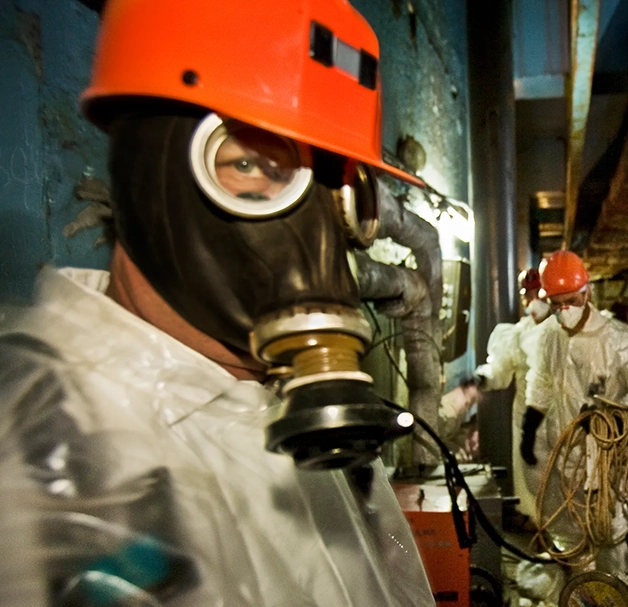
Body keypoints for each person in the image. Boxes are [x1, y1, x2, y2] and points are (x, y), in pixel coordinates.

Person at [0, 1, 436, 605]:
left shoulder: (303, 421)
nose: (310, 240)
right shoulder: (44, 452)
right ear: (143, 173)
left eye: (339, 196)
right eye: (249, 165)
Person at [522, 250, 628, 571]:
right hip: (563, 455)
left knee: (609, 536)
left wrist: (616, 414)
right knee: (569, 536)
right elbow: (543, 378)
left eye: (571, 301)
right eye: (557, 302)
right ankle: (578, 594)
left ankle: (615, 594)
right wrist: (531, 422)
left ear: (587, 293)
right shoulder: (550, 334)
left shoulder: (617, 340)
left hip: (604, 459)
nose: (564, 310)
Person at [473, 268, 551, 519]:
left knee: (562, 474)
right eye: (527, 295)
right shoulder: (518, 333)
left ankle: (567, 535)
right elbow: (501, 370)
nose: (532, 301)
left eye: (536, 293)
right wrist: (482, 377)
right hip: (526, 415)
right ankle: (540, 527)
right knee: (531, 475)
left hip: (561, 414)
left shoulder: (564, 329)